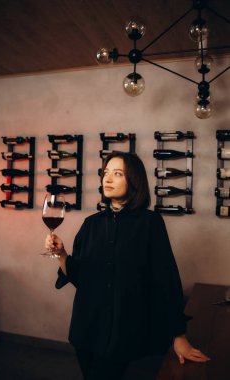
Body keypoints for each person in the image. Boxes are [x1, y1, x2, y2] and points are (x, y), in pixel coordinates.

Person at [45, 151, 210, 380]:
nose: (107, 179)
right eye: (106, 173)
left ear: (134, 181)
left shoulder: (150, 223)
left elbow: (166, 281)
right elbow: (80, 278)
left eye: (117, 173)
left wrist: (178, 335)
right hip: (86, 328)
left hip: (125, 331)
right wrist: (62, 254)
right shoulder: (90, 224)